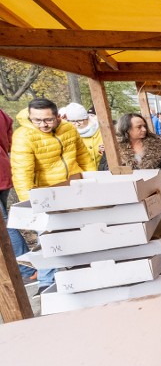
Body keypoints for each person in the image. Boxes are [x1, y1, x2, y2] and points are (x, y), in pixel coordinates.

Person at [11, 98, 96, 202]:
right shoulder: (23, 136)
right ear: (30, 117)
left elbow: (83, 157)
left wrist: (93, 180)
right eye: (37, 120)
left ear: (57, 116)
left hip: (76, 183)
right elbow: (22, 173)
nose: (43, 125)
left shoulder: (69, 128)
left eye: (48, 120)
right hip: (47, 190)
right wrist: (29, 202)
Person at [0, 108, 37, 282]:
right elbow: (8, 141)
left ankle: (26, 268)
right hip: (3, 168)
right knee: (6, 221)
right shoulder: (2, 114)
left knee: (5, 223)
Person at [115, 114, 161, 191]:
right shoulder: (116, 148)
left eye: (144, 126)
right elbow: (107, 171)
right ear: (127, 129)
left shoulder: (156, 145)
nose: (144, 129)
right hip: (130, 192)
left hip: (154, 190)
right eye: (139, 127)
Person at [64, 103, 104, 170]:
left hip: (102, 170)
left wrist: (104, 151)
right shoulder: (68, 134)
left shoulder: (101, 130)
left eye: (80, 120)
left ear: (87, 118)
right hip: (81, 172)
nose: (77, 124)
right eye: (73, 121)